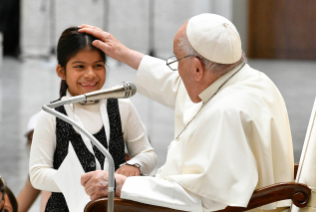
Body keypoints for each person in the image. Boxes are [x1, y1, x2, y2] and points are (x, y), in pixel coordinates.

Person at [78, 13, 294, 212]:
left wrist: (121, 185)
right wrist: (124, 54)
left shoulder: (226, 112)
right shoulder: (249, 80)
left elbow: (202, 199)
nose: (176, 71)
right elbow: (178, 83)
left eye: (177, 60)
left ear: (198, 69)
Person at [29, 27, 157, 212]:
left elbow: (148, 154)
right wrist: (85, 182)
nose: (90, 74)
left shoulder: (123, 107)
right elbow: (38, 173)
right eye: (80, 66)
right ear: (61, 71)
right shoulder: (51, 114)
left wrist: (135, 164)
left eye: (97, 65)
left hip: (114, 206)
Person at [17, 112, 51, 212]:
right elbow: (16, 208)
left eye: (42, 139)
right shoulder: (37, 174)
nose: (35, 146)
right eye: (31, 140)